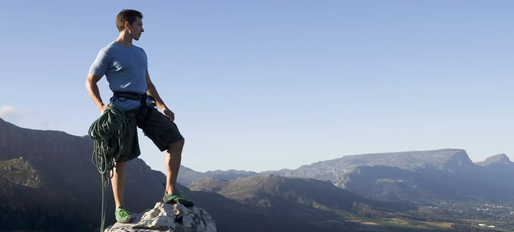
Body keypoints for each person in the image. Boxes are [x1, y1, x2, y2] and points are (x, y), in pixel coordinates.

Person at [85, 9, 194, 223]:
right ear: (127, 25)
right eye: (139, 25)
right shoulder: (108, 51)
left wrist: (163, 106)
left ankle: (170, 192)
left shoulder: (141, 52)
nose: (142, 29)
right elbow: (90, 81)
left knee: (176, 140)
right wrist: (100, 106)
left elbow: (148, 84)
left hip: (144, 106)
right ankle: (120, 208)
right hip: (121, 110)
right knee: (120, 158)